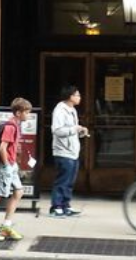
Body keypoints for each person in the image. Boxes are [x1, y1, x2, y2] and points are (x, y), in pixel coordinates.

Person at [0, 97, 32, 242]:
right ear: (18, 113)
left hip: (10, 164)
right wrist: (7, 165)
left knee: (19, 191)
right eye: (26, 112)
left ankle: (6, 226)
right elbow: (2, 147)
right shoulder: (10, 127)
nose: (28, 115)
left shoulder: (16, 125)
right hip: (5, 165)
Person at [50, 84, 89, 217]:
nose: (79, 97)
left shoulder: (72, 110)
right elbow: (57, 130)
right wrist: (75, 129)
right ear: (70, 96)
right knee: (62, 180)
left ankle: (65, 205)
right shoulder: (60, 110)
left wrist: (81, 131)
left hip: (72, 151)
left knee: (70, 181)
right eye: (77, 95)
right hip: (63, 151)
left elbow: (71, 130)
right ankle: (56, 207)